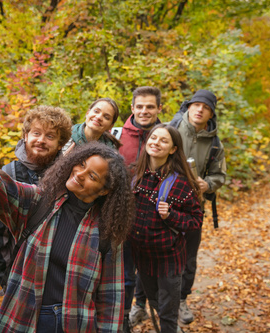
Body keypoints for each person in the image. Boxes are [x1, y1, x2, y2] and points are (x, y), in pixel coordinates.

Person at [0, 95, 135, 333]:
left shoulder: (107, 231)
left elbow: (111, 299)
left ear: (105, 190)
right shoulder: (40, 201)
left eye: (92, 176)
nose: (80, 174)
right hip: (24, 317)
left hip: (75, 323)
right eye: (81, 165)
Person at [0, 105, 72, 293]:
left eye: (50, 136)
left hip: (59, 278)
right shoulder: (8, 174)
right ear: (25, 136)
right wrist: (5, 278)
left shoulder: (69, 176)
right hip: (18, 276)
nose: (41, 140)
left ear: (60, 143)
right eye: (36, 133)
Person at [129, 124, 203, 333]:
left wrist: (171, 216)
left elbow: (196, 220)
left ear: (172, 149)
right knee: (153, 300)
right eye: (153, 138)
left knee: (168, 310)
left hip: (169, 258)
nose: (156, 143)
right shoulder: (136, 174)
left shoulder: (181, 182)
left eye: (163, 140)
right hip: (142, 256)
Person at [169, 89, 226, 324]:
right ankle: (143, 303)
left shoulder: (214, 143)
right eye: (196, 105)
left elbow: (220, 175)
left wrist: (208, 184)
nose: (200, 109)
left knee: (188, 258)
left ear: (210, 113)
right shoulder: (169, 130)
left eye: (206, 107)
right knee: (152, 253)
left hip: (193, 208)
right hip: (162, 203)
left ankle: (181, 301)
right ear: (189, 107)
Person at [112, 86, 163, 331]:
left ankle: (144, 306)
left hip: (155, 217)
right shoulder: (116, 135)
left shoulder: (166, 135)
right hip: (123, 216)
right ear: (132, 108)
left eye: (150, 106)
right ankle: (123, 320)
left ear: (159, 109)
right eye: (140, 106)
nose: (144, 111)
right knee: (125, 274)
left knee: (151, 270)